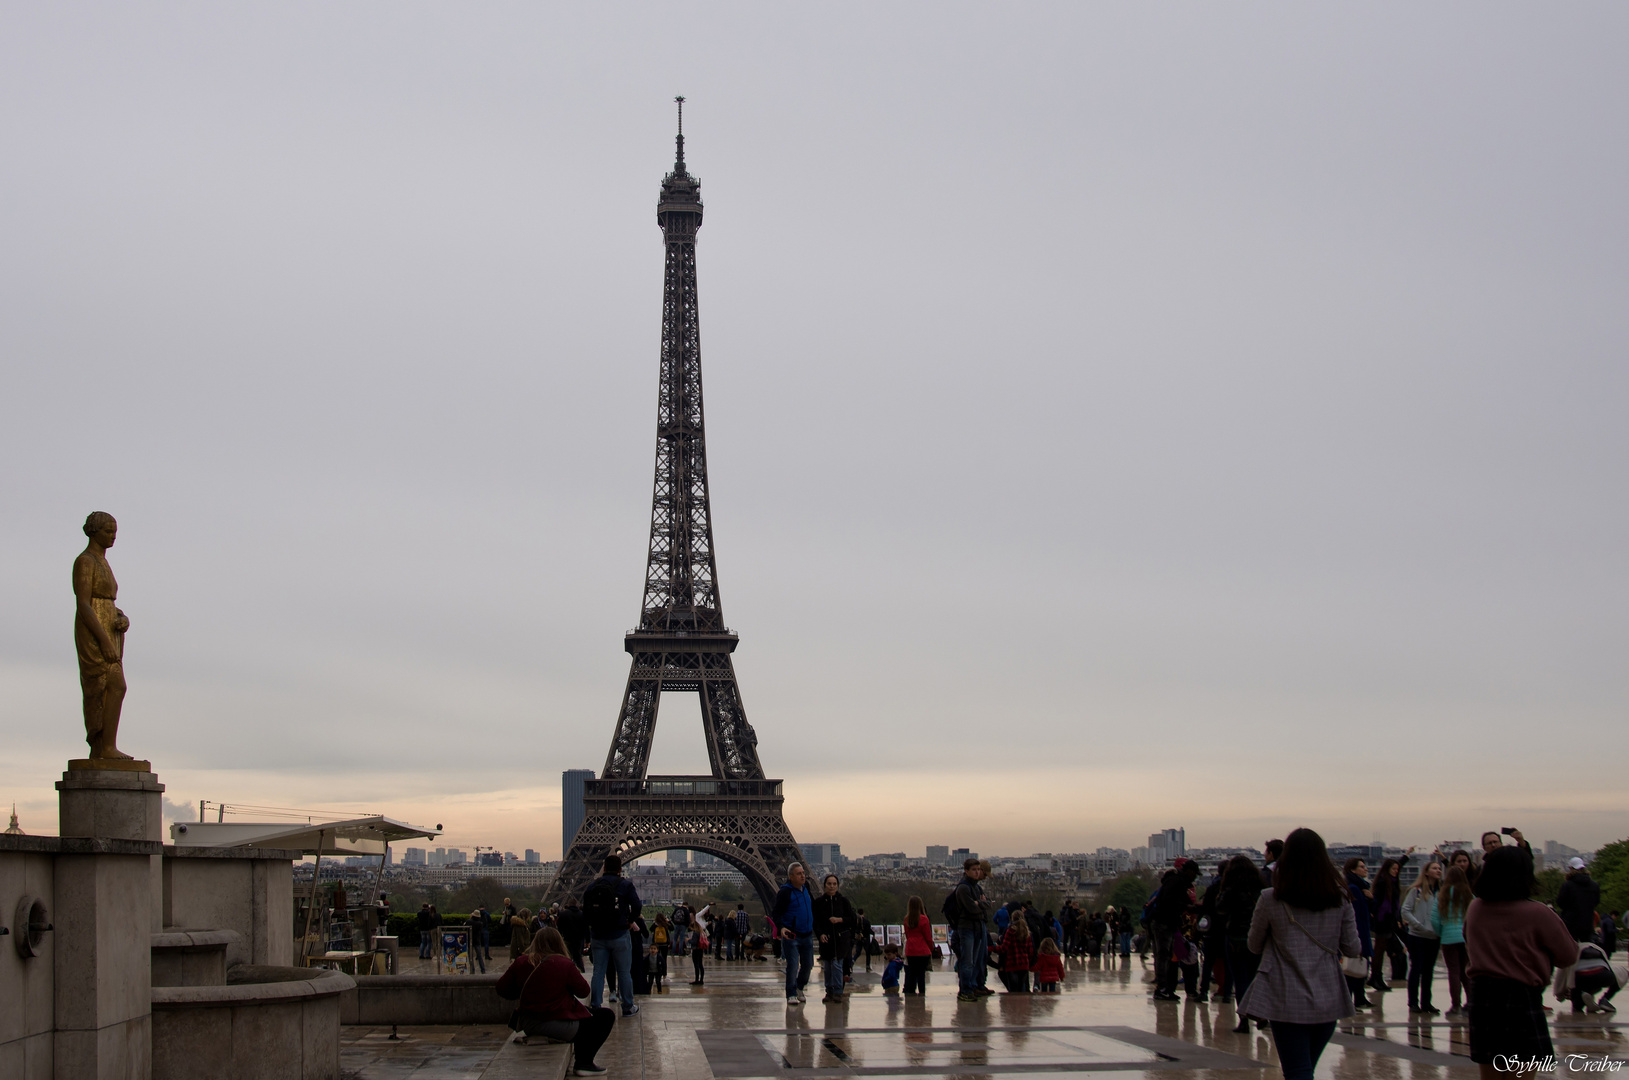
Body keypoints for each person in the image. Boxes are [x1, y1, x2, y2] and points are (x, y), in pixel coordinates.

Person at [1238, 828, 1362, 1080]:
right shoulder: (1340, 898)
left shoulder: (1270, 899)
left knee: (1298, 1071)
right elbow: (1353, 948)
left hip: (1286, 997)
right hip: (1328, 996)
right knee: (1305, 1069)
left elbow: (1253, 945)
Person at [1464, 845, 1578, 1079]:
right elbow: (1568, 955)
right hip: (1521, 996)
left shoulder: (1475, 908)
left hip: (1482, 997)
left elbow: (1468, 939)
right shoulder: (1538, 913)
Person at [496, 926, 615, 1076]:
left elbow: (501, 988)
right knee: (605, 1017)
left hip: (528, 1023)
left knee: (590, 1018)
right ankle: (584, 1063)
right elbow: (583, 991)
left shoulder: (521, 962)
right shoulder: (563, 963)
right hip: (555, 1022)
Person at [584, 854, 643, 1017]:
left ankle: (595, 1006)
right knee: (624, 972)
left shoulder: (592, 886)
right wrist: (629, 921)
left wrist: (593, 926)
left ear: (603, 867)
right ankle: (628, 1006)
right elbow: (637, 906)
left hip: (598, 935)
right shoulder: (625, 885)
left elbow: (586, 911)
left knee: (598, 972)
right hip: (619, 934)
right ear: (620, 869)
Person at [1217, 854, 1265, 1033]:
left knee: (1240, 978)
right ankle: (1261, 1013)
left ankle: (1244, 1018)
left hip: (1236, 936)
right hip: (1257, 937)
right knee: (1256, 977)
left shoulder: (1231, 889)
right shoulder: (1260, 888)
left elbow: (1220, 908)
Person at [1150, 860, 1201, 1002]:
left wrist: (1189, 906)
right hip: (1165, 922)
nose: (1195, 877)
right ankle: (1162, 989)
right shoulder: (1177, 882)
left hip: (1166, 922)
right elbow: (1171, 901)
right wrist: (1188, 907)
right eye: (1195, 874)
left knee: (1165, 956)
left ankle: (1164, 988)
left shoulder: (1175, 881)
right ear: (1189, 871)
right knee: (1164, 955)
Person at [1368, 849, 1414, 993]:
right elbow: (1377, 903)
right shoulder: (1383, 882)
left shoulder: (1391, 880)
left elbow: (1398, 866)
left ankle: (1377, 977)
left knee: (1382, 950)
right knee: (1379, 950)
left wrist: (1406, 856)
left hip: (1389, 921)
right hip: (1383, 921)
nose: (1396, 871)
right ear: (1387, 870)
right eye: (1393, 869)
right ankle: (1375, 977)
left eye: (1396, 869)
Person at [1400, 860, 1442, 1015]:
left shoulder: (1441, 891)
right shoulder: (1416, 891)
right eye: (1434, 868)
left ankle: (1426, 1002)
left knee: (1428, 971)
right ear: (1426, 871)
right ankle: (1413, 1003)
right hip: (1417, 935)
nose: (1438, 870)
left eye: (1439, 868)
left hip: (1434, 936)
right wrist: (1417, 925)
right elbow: (1405, 910)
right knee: (1416, 968)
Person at [950, 858, 994, 1002]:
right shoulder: (964, 888)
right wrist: (981, 904)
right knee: (968, 961)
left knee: (973, 961)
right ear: (967, 871)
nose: (977, 872)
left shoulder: (974, 887)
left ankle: (970, 988)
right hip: (967, 927)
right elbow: (972, 908)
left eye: (978, 869)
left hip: (974, 927)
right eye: (974, 870)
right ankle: (965, 989)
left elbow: (984, 905)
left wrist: (979, 903)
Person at [1432, 864, 1473, 1015]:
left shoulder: (1442, 895)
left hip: (1448, 938)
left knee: (1453, 972)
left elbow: (1434, 919)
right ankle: (1470, 1003)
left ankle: (1456, 1005)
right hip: (1465, 937)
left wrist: (1441, 933)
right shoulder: (1469, 895)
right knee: (1467, 971)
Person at [772, 863, 815, 1006]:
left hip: (807, 933)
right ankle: (791, 993)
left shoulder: (806, 888)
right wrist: (782, 928)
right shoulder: (785, 892)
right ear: (791, 877)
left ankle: (798, 987)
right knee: (793, 965)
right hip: (792, 935)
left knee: (808, 965)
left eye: (803, 873)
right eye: (799, 874)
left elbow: (813, 907)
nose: (803, 876)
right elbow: (776, 912)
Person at [812, 875, 856, 1003]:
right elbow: (816, 922)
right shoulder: (819, 903)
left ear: (837, 885)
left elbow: (852, 919)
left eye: (834, 884)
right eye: (829, 884)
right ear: (825, 885)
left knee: (836, 965)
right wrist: (820, 934)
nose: (832, 886)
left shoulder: (843, 901)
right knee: (827, 966)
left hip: (840, 939)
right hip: (826, 939)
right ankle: (830, 991)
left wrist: (839, 920)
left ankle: (837, 991)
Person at [1342, 858, 1376, 1008]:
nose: (1365, 869)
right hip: (1360, 932)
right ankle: (1355, 998)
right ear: (1353, 870)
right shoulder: (1354, 888)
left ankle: (1359, 997)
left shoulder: (1360, 887)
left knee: (1360, 966)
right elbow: (1359, 914)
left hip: (1361, 931)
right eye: (1362, 867)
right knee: (1356, 967)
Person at [1558, 940, 1624, 1014]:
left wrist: (1560, 995)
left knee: (1577, 1007)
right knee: (1619, 974)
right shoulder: (1597, 948)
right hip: (1601, 975)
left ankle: (1584, 999)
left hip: (1578, 980)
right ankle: (1604, 999)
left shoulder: (1571, 950)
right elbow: (1609, 966)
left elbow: (1560, 976)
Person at [1556, 857, 1602, 944]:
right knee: (1586, 947)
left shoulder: (1568, 885)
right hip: (1587, 922)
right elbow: (1596, 901)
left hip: (1570, 922)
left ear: (1571, 868)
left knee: (1571, 948)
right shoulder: (1594, 885)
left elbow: (1560, 902)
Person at [903, 895, 933, 995]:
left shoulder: (907, 919)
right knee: (921, 975)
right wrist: (931, 948)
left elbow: (907, 935)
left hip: (911, 950)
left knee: (911, 974)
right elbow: (928, 937)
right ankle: (922, 995)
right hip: (923, 950)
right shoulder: (924, 919)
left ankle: (910, 995)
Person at [999, 908, 1034, 993]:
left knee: (1013, 989)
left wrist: (991, 948)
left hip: (1012, 964)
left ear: (1012, 918)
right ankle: (1021, 1005)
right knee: (1021, 987)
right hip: (1024, 965)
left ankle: (1013, 1005)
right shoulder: (1027, 932)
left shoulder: (1010, 931)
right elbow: (1030, 951)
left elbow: (1004, 948)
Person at [556, 900, 588, 972]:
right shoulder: (581, 914)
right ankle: (581, 969)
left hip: (567, 938)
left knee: (567, 955)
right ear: (576, 904)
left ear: (568, 904)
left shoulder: (563, 914)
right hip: (578, 939)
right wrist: (587, 939)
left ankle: (567, 970)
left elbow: (559, 926)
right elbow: (585, 928)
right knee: (578, 955)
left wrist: (560, 936)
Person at [690, 904, 710, 985]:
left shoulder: (695, 932)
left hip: (696, 949)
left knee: (696, 965)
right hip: (701, 949)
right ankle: (701, 980)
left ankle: (697, 979)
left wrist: (688, 940)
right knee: (700, 964)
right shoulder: (701, 932)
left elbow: (694, 942)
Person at [650, 913, 670, 992]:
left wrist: (655, 923)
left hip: (657, 944)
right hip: (664, 944)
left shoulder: (656, 925)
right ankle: (664, 974)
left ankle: (657, 973)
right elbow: (672, 928)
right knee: (664, 959)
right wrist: (668, 921)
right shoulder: (665, 925)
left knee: (655, 959)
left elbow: (650, 929)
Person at [853, 908, 874, 973]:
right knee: (867, 953)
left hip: (859, 938)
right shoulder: (866, 921)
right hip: (866, 939)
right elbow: (869, 930)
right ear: (863, 913)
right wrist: (873, 933)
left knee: (858, 952)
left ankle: (851, 962)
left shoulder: (856, 921)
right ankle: (867, 966)